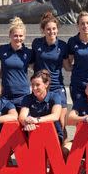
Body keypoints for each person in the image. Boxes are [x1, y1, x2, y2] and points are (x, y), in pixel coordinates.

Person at [31, 12, 71, 140]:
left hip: (57, 87)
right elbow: (32, 63)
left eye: (54, 28)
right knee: (43, 120)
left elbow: (67, 66)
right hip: (40, 89)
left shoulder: (63, 46)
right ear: (43, 30)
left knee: (60, 122)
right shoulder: (36, 43)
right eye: (48, 29)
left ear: (57, 29)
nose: (51, 31)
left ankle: (63, 151)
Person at [0, 17, 32, 110]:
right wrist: (0, 75)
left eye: (21, 36)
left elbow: (36, 69)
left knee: (23, 121)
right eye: (15, 35)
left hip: (23, 95)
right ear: (10, 35)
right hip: (6, 95)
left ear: (24, 36)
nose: (18, 38)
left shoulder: (29, 52)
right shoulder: (2, 49)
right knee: (7, 122)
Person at [19, 70, 63, 143]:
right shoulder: (27, 98)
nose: (34, 88)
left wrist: (37, 120)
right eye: (32, 84)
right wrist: (27, 124)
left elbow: (55, 116)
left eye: (37, 85)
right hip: (35, 133)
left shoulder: (55, 96)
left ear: (46, 84)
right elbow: (22, 117)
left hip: (54, 135)